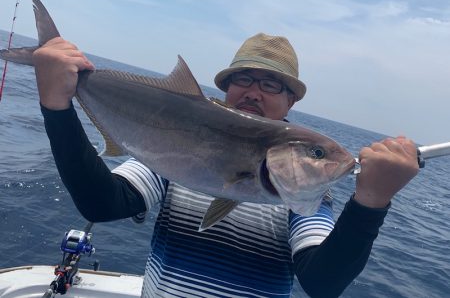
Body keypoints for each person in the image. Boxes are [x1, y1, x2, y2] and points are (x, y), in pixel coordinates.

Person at [33, 33, 419, 298]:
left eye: (271, 84)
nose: (253, 91)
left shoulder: (306, 196)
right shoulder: (178, 146)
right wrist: (57, 107)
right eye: (243, 78)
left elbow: (322, 283)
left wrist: (371, 202)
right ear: (227, 88)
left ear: (290, 103)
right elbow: (101, 204)